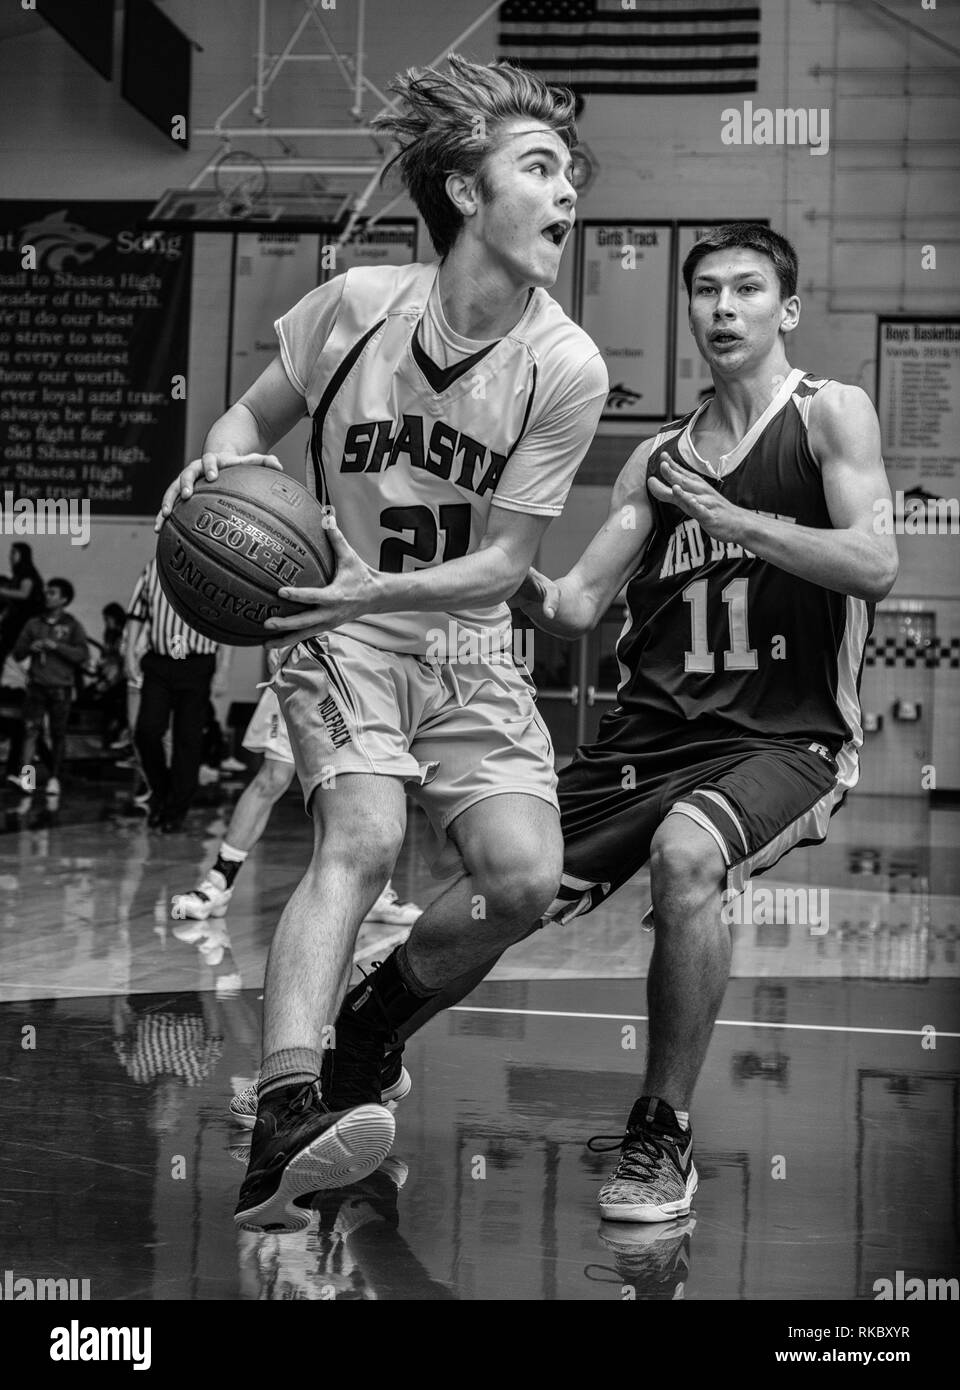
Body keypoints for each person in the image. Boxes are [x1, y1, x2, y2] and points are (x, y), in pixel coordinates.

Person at [317, 223, 900, 1226]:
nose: (723, 307)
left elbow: (875, 564)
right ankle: (368, 1034)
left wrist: (733, 520)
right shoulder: (656, 463)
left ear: (786, 310)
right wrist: (474, 568)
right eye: (706, 290)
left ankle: (660, 1134)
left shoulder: (831, 417)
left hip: (782, 737)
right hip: (646, 741)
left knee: (687, 858)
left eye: (747, 289)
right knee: (505, 892)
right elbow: (578, 603)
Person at [159, 54, 608, 1231]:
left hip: (459, 645)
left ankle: (369, 1025)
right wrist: (215, 458)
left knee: (520, 878)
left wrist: (382, 593)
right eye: (541, 168)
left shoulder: (566, 365)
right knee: (362, 833)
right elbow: (252, 418)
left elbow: (511, 564)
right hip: (331, 631)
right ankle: (284, 1113)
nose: (568, 195)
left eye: (572, 174)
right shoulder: (357, 306)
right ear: (465, 190)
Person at [170, 678, 423, 929]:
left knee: (374, 776)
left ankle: (376, 891)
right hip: (303, 672)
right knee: (272, 777)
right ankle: (218, 884)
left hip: (357, 680)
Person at [124, 556, 228, 832]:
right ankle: (161, 791)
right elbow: (136, 613)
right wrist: (128, 655)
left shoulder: (216, 567)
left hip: (197, 663)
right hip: (159, 661)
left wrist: (222, 669)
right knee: (146, 731)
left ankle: (176, 809)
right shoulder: (154, 565)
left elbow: (225, 624)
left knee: (188, 739)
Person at [9, 578, 89, 796]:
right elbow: (18, 652)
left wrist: (57, 646)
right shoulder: (34, 624)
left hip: (61, 688)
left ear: (64, 599)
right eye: (47, 592)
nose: (47, 596)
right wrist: (30, 647)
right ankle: (27, 780)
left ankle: (54, 779)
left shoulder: (72, 625)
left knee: (58, 734)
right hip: (36, 686)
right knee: (30, 731)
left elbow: (82, 655)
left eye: (53, 593)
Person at [0, 542, 44, 681]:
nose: (11, 556)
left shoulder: (26, 573)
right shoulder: (19, 574)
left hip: (24, 621)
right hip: (17, 619)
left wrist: (2, 591)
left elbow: (24, 593)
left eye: (14, 553)